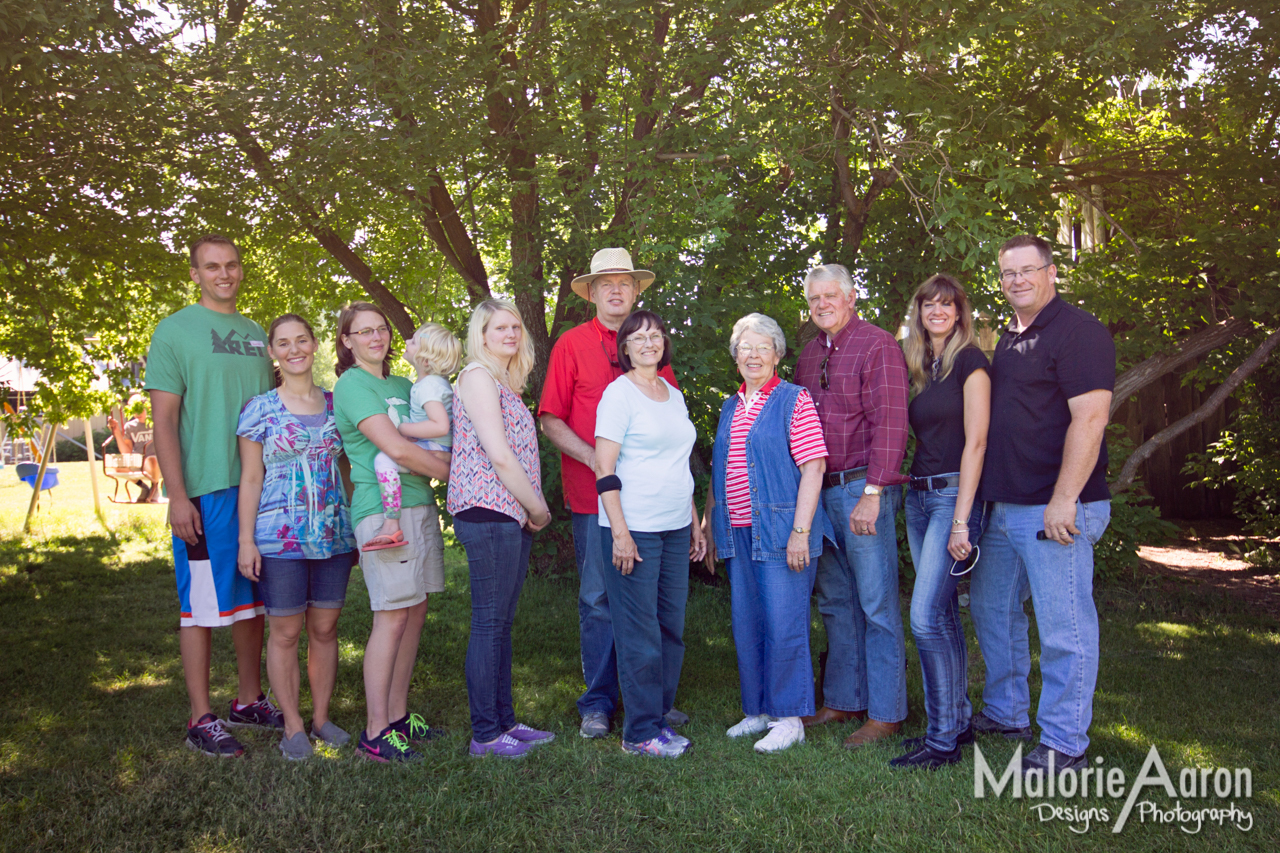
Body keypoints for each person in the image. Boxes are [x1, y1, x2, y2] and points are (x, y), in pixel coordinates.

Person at [969, 235, 1114, 777]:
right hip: (1005, 506)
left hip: (1056, 509)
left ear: (1051, 273)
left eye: (1028, 271)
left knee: (1064, 628)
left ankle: (1064, 742)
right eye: (1008, 273)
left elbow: (1091, 419)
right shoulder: (1011, 336)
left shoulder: (1080, 332)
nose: (1017, 281)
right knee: (993, 612)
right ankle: (1007, 715)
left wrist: (1064, 499)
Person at [537, 247, 684, 739]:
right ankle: (598, 702)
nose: (616, 290)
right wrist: (598, 462)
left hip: (652, 506)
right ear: (592, 293)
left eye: (625, 282)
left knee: (653, 599)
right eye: (606, 283)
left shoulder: (651, 350)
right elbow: (551, 418)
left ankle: (651, 698)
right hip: (591, 497)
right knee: (599, 598)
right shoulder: (572, 345)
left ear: (636, 291)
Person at [144, 234, 278, 757]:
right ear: (196, 274)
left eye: (232, 265)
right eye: (212, 266)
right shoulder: (175, 331)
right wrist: (176, 496)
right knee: (199, 603)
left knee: (252, 598)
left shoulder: (254, 334)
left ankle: (248, 700)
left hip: (259, 486)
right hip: (203, 489)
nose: (225, 274)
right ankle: (201, 716)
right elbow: (164, 420)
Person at [702, 313, 831, 754]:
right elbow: (721, 471)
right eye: (745, 348)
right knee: (747, 623)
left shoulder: (794, 399)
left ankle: (790, 716)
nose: (753, 355)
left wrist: (801, 531)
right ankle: (758, 710)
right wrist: (709, 523)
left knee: (784, 623)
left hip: (780, 530)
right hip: (737, 532)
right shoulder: (730, 406)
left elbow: (814, 467)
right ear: (735, 357)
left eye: (763, 347)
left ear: (777, 354)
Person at [794, 263, 911, 749]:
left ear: (850, 297)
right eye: (814, 298)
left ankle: (886, 712)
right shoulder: (807, 355)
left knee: (877, 603)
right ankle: (845, 698)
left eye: (831, 296)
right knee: (837, 602)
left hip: (863, 489)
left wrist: (874, 493)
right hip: (820, 491)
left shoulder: (878, 344)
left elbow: (891, 422)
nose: (822, 305)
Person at [235, 313, 359, 760]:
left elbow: (348, 468)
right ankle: (292, 725)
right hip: (278, 538)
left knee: (325, 629)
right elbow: (251, 478)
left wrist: (359, 526)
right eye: (283, 343)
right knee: (285, 633)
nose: (294, 350)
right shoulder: (260, 409)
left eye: (301, 340)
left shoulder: (335, 404)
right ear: (272, 352)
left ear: (314, 345)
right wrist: (246, 540)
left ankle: (322, 718)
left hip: (333, 534)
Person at [332, 301, 452, 762]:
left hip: (418, 506)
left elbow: (436, 435)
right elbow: (397, 449)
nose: (375, 338)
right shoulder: (352, 384)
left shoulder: (406, 384)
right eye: (363, 332)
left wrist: (445, 464)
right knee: (392, 615)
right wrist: (454, 472)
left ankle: (400, 718)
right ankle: (375, 730)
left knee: (416, 611)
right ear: (347, 341)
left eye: (380, 329)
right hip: (380, 510)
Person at [593, 311, 706, 757]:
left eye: (655, 335)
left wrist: (694, 521)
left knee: (670, 627)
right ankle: (639, 734)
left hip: (676, 527)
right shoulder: (617, 396)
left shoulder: (672, 394)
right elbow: (604, 468)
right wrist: (619, 532)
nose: (648, 343)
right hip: (634, 528)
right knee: (639, 631)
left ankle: (658, 716)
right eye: (638, 337)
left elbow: (680, 465)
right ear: (624, 347)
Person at [447, 299, 556, 758]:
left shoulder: (502, 383)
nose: (510, 334)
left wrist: (525, 509)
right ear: (482, 335)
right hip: (487, 513)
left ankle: (506, 721)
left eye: (516, 326)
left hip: (508, 514)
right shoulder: (476, 377)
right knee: (490, 623)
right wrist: (540, 509)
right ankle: (485, 734)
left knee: (502, 623)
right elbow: (500, 455)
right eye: (499, 328)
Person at [892, 275, 990, 770]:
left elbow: (976, 443)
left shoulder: (971, 362)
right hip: (918, 496)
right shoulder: (921, 365)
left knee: (925, 617)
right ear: (919, 310)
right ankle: (957, 723)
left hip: (954, 496)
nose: (937, 311)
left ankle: (940, 741)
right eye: (928, 303)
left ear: (959, 312)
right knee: (944, 616)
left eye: (946, 304)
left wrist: (961, 521)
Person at [365, 322, 462, 550]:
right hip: (438, 447)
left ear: (425, 360)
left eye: (414, 341)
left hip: (435, 444)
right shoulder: (432, 384)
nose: (407, 342)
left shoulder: (428, 386)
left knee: (383, 459)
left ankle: (391, 522)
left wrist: (402, 430)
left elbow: (440, 426)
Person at [106, 394, 163, 502]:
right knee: (116, 464)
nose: (137, 413)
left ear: (148, 407)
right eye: (134, 410)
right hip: (138, 462)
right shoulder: (130, 426)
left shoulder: (157, 422)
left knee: (152, 460)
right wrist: (117, 432)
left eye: (140, 409)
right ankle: (144, 488)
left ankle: (154, 488)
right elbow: (126, 452)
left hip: (158, 464)